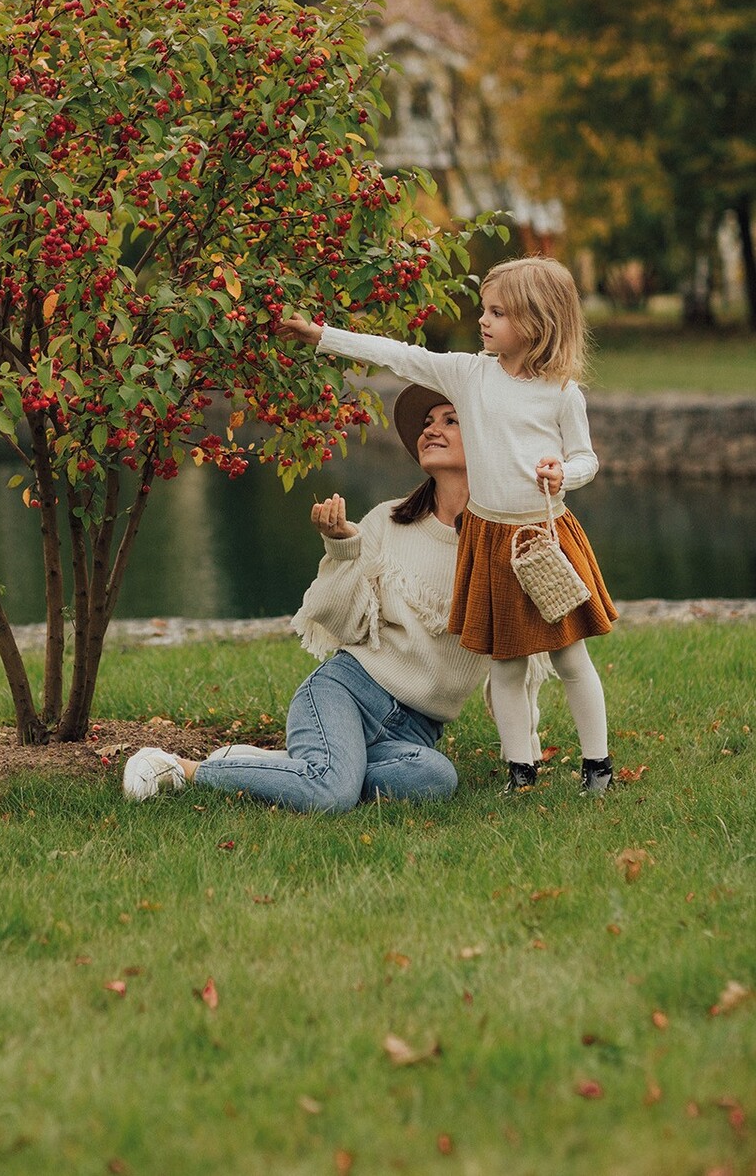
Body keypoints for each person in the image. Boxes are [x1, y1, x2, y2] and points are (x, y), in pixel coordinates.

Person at [274, 255, 617, 795]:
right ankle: (519, 770)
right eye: (485, 309)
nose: (483, 321)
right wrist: (323, 335)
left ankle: (597, 766)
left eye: (497, 312)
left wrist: (563, 473)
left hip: (542, 536)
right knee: (505, 660)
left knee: (570, 656)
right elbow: (399, 356)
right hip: (488, 535)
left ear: (537, 323)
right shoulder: (469, 374)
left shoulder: (561, 394)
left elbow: (586, 458)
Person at [123, 385, 543, 810]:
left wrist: (522, 753)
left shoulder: (502, 541)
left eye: (451, 421)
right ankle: (176, 767)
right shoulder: (389, 521)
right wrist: (343, 548)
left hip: (417, 731)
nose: (431, 430)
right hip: (346, 692)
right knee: (333, 794)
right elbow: (346, 626)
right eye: (428, 423)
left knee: (435, 778)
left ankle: (292, 767)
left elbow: (519, 654)